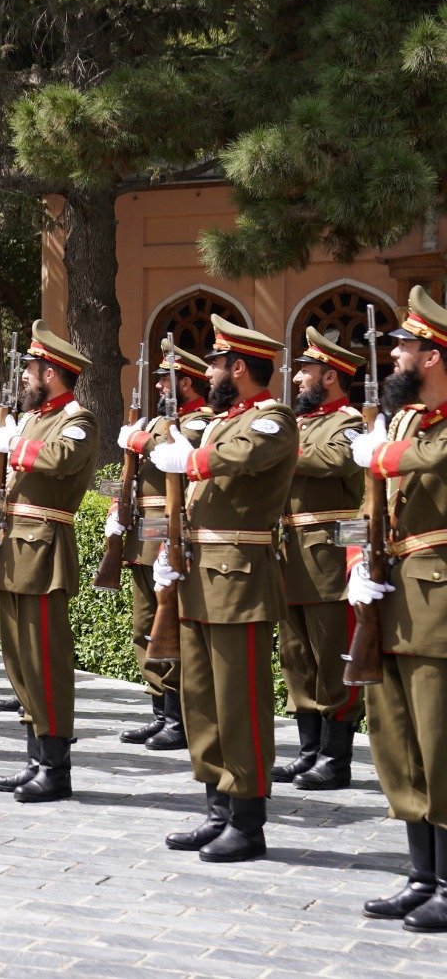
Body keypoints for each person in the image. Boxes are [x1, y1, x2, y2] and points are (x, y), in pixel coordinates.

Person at [150, 315, 296, 862]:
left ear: (239, 366)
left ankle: (248, 820)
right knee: (204, 699)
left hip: (239, 576)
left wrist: (192, 459)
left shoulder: (271, 418)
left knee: (241, 702)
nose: (207, 371)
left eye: (214, 362)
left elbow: (246, 457)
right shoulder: (220, 420)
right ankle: (217, 808)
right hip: (199, 572)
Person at [347, 285, 447, 930]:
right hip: (392, 598)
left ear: (434, 355)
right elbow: (366, 510)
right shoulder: (406, 422)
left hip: (438, 603)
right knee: (397, 740)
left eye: (405, 348)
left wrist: (380, 454)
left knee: (442, 742)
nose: (395, 360)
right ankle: (421, 874)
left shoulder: (422, 435)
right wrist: (358, 564)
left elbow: (433, 463)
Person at [0, 322, 99, 802]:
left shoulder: (79, 420)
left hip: (45, 549)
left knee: (45, 661)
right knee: (19, 660)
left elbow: (59, 460)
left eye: (30, 370)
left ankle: (55, 768)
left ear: (50, 372)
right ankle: (34, 758)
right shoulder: (33, 419)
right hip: (15, 546)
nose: (24, 379)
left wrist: (14, 444)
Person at [275, 327, 365, 790]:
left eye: (306, 372)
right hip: (289, 553)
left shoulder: (348, 423)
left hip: (327, 554)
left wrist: (274, 448)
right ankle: (309, 750)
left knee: (332, 655)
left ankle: (336, 756)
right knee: (296, 656)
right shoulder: (301, 424)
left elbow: (333, 462)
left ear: (330, 376)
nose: (296, 381)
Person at [114, 341, 214, 751]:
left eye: (164, 381)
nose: (157, 387)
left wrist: (138, 442)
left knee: (172, 623)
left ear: (185, 382)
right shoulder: (159, 421)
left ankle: (180, 715)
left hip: (173, 531)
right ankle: (160, 709)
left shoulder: (200, 423)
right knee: (145, 626)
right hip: (145, 532)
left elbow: (174, 455)